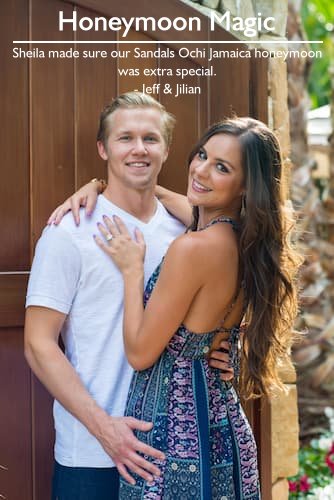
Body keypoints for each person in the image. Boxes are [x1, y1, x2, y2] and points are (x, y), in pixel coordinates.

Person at [51, 117, 300, 498]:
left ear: (246, 185)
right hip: (223, 429)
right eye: (202, 155)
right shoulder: (245, 243)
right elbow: (187, 204)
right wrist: (102, 187)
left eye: (222, 167)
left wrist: (133, 270)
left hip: (174, 436)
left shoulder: (192, 248)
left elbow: (139, 353)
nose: (200, 170)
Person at [24, 92, 233, 500]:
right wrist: (105, 428)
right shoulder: (70, 232)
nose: (139, 149)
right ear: (103, 148)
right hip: (93, 454)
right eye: (125, 138)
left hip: (169, 450)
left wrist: (225, 347)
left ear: (167, 149)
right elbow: (38, 344)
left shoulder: (188, 232)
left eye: (151, 139)